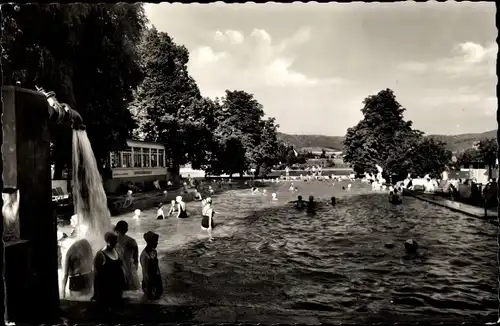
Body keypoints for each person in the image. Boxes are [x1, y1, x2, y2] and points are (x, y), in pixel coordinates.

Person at [92, 232, 126, 312]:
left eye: (115, 241)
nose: (115, 243)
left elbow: (120, 268)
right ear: (107, 240)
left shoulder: (116, 251)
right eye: (113, 241)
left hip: (117, 287)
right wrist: (96, 293)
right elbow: (96, 275)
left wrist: (123, 281)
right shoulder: (100, 254)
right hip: (106, 288)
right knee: (107, 311)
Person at [60, 222, 93, 299]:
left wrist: (62, 294)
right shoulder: (87, 244)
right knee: (88, 303)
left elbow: (65, 275)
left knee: (77, 305)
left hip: (77, 280)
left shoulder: (70, 251)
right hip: (89, 276)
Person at [114, 221, 140, 291]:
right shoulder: (132, 241)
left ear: (116, 229)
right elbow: (136, 257)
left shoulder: (113, 240)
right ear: (126, 230)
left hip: (119, 268)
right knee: (133, 290)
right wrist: (136, 266)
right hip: (130, 267)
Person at [140, 231, 163, 300]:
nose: (157, 243)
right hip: (149, 283)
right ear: (149, 242)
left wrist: (160, 282)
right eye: (155, 241)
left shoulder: (154, 252)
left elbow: (157, 268)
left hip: (156, 279)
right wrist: (149, 289)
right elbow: (146, 273)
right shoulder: (145, 256)